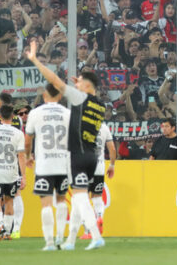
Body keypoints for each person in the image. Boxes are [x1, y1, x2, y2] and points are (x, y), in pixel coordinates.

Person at [25, 39, 105, 250]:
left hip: (77, 155)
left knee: (79, 198)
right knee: (78, 196)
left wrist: (34, 59)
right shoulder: (100, 104)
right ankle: (70, 241)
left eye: (78, 82)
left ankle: (95, 236)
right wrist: (80, 84)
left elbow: (55, 81)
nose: (74, 84)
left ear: (86, 86)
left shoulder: (80, 98)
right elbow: (82, 90)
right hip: (92, 156)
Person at [25, 83, 71, 251]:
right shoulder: (68, 114)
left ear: (45, 95)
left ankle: (50, 242)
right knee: (61, 200)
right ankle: (60, 237)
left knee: (45, 204)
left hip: (44, 165)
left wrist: (29, 156)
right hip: (63, 164)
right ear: (60, 96)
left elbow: (28, 138)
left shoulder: (35, 113)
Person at [0, 104, 27, 240]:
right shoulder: (18, 133)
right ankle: (7, 232)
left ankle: (0, 226)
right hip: (11, 173)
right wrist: (23, 176)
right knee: (9, 202)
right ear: (13, 117)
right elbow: (21, 156)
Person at [89, 118, 117, 240]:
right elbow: (112, 149)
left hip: (84, 166)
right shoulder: (104, 127)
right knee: (97, 196)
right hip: (99, 167)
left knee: (82, 197)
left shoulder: (82, 124)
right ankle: (99, 216)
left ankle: (88, 229)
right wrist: (112, 165)